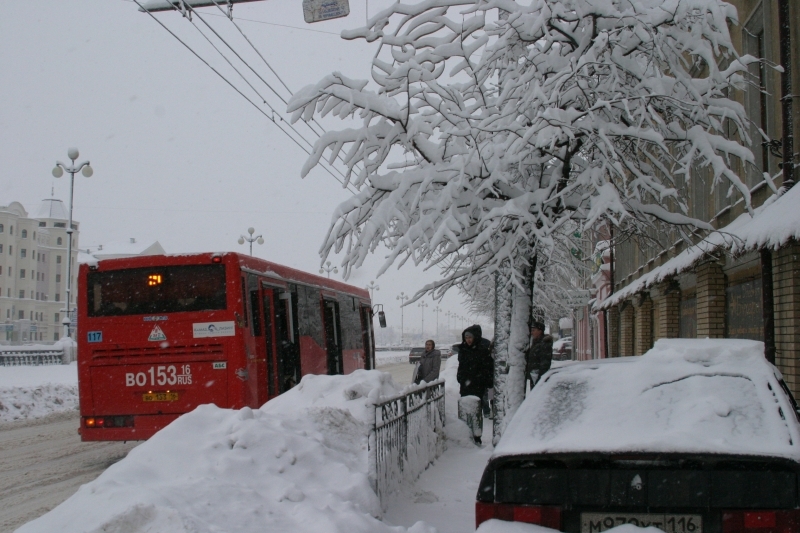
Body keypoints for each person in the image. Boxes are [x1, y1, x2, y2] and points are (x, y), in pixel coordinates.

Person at [456, 325, 494, 444]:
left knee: (476, 410)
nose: (468, 339)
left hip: (478, 385)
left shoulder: (482, 350)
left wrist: (485, 381)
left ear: (475, 337)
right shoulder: (463, 350)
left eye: (470, 337)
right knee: (465, 408)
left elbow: (488, 368)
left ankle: (477, 435)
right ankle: (465, 434)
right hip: (465, 385)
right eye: (466, 337)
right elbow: (461, 366)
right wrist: (460, 378)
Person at [525, 321, 553, 391]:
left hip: (538, 376)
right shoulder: (536, 342)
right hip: (534, 375)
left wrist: (540, 378)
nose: (532, 333)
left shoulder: (544, 344)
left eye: (533, 330)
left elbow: (545, 363)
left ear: (540, 331)